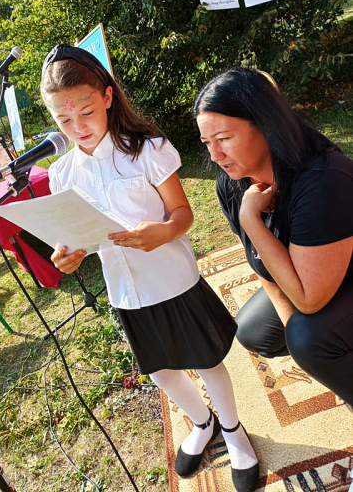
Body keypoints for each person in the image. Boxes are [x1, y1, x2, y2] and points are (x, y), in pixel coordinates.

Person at [40, 44, 259, 491]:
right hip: (125, 292)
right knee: (160, 370)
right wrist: (66, 257)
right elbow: (72, 239)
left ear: (106, 96)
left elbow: (182, 214)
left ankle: (234, 431)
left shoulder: (147, 150)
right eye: (64, 121)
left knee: (206, 358)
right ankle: (203, 423)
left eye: (85, 111)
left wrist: (161, 233)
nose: (77, 127)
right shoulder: (62, 174)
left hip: (173, 280)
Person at [193, 67, 353, 409]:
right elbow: (261, 265)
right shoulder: (232, 182)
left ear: (265, 124)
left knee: (311, 338)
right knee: (254, 331)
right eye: (207, 142)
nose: (214, 156)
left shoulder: (323, 181)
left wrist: (252, 221)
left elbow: (309, 300)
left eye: (223, 139)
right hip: (311, 275)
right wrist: (288, 320)